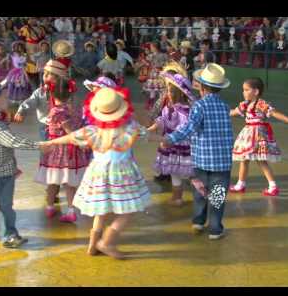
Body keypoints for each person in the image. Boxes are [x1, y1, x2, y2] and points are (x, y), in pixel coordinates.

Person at [42, 86, 152, 259]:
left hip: (98, 172)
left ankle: (93, 245)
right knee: (129, 210)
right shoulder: (130, 127)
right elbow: (148, 135)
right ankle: (106, 242)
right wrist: (166, 138)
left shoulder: (92, 131)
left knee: (100, 210)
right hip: (121, 173)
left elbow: (70, 137)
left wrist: (49, 143)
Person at [0, 78, 50, 248]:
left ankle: (10, 235)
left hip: (5, 169)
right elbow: (12, 140)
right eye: (5, 96)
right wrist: (39, 145)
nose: (8, 99)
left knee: (6, 205)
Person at [161, 63, 233, 240]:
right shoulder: (225, 106)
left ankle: (199, 222)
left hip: (202, 160)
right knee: (217, 196)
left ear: (201, 87)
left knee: (200, 192)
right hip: (222, 162)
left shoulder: (199, 106)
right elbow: (228, 133)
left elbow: (189, 128)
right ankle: (215, 229)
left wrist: (170, 139)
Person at [35, 78, 90, 222]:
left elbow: (69, 131)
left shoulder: (56, 111)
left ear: (52, 94)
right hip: (73, 150)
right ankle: (71, 210)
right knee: (69, 182)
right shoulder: (76, 108)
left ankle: (50, 207)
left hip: (57, 149)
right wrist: (83, 142)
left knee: (53, 181)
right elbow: (80, 128)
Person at [229, 77, 288, 196]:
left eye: (246, 89)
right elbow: (233, 112)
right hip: (249, 132)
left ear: (256, 91)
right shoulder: (245, 104)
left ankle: (270, 185)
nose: (243, 92)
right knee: (246, 159)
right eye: (243, 90)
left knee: (258, 160)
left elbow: (274, 113)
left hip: (257, 133)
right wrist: (217, 110)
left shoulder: (261, 103)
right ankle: (243, 184)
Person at [147, 70, 195, 206]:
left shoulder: (186, 111)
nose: (168, 94)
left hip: (180, 145)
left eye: (171, 92)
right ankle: (177, 197)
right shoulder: (169, 108)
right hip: (170, 144)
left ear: (180, 94)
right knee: (175, 172)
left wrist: (164, 139)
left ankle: (198, 194)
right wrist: (150, 129)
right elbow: (161, 120)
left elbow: (184, 130)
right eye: (168, 91)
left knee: (189, 173)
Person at [6, 41, 32, 111]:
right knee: (15, 85)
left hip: (23, 72)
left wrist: (30, 64)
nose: (19, 48)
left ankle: (22, 101)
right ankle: (16, 101)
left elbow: (28, 62)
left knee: (23, 85)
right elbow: (8, 63)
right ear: (14, 48)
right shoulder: (12, 55)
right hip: (15, 72)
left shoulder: (25, 55)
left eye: (20, 47)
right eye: (17, 47)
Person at [142, 41, 168, 110]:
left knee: (153, 90)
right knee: (161, 90)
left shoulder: (151, 55)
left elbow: (146, 63)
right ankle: (162, 105)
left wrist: (146, 63)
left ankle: (150, 104)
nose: (150, 48)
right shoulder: (164, 55)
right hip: (162, 74)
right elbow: (167, 63)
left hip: (154, 74)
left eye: (151, 47)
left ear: (155, 47)